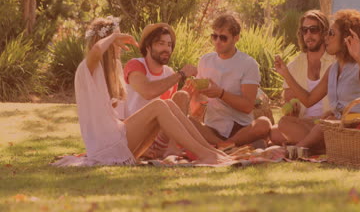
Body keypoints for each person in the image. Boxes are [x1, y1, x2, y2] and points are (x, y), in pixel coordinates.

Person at [52, 17, 230, 166]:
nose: (120, 46)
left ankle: (208, 151)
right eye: (116, 42)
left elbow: (121, 118)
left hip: (119, 139)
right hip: (106, 147)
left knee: (166, 103)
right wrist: (114, 35)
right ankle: (204, 154)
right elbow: (97, 50)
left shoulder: (115, 71)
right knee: (158, 105)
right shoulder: (87, 70)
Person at [274, 9, 360, 150]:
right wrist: (286, 74)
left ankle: (298, 149)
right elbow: (308, 100)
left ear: (346, 38)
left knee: (325, 125)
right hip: (334, 126)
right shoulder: (332, 70)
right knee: (285, 122)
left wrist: (357, 56)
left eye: (331, 33)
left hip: (357, 126)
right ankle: (321, 145)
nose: (326, 38)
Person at [187, 14, 272, 148]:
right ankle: (228, 146)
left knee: (264, 123)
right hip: (212, 128)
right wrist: (193, 94)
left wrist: (221, 94)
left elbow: (248, 106)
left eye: (223, 38)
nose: (217, 41)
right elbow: (196, 107)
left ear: (236, 38)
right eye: (214, 36)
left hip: (240, 128)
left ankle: (222, 146)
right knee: (186, 121)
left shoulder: (248, 64)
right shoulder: (205, 60)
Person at [122, 23, 196, 158]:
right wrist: (181, 74)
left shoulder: (169, 73)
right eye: (161, 43)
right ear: (148, 46)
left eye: (169, 45)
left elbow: (173, 114)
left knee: (182, 95)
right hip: (135, 134)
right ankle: (145, 149)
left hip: (159, 137)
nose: (166, 48)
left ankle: (171, 148)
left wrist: (194, 98)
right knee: (159, 106)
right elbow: (148, 92)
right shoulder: (135, 65)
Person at [270, 10, 334, 146]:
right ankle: (316, 144)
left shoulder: (335, 62)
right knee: (278, 128)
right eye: (305, 30)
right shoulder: (294, 66)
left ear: (324, 32)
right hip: (305, 123)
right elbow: (289, 100)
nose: (308, 35)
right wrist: (292, 109)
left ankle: (307, 144)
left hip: (328, 123)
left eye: (313, 30)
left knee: (280, 134)